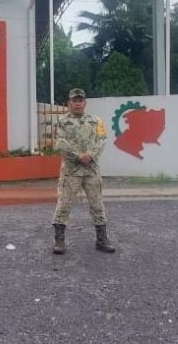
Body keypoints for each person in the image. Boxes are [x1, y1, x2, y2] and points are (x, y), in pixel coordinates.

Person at [52, 88, 116, 255]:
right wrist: (78, 155)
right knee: (64, 205)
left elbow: (102, 139)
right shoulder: (62, 121)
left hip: (91, 170)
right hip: (71, 171)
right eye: (74, 100)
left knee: (97, 205)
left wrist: (91, 155)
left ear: (85, 103)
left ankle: (102, 240)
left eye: (80, 100)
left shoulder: (95, 121)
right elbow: (60, 142)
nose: (78, 103)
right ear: (69, 103)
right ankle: (59, 241)